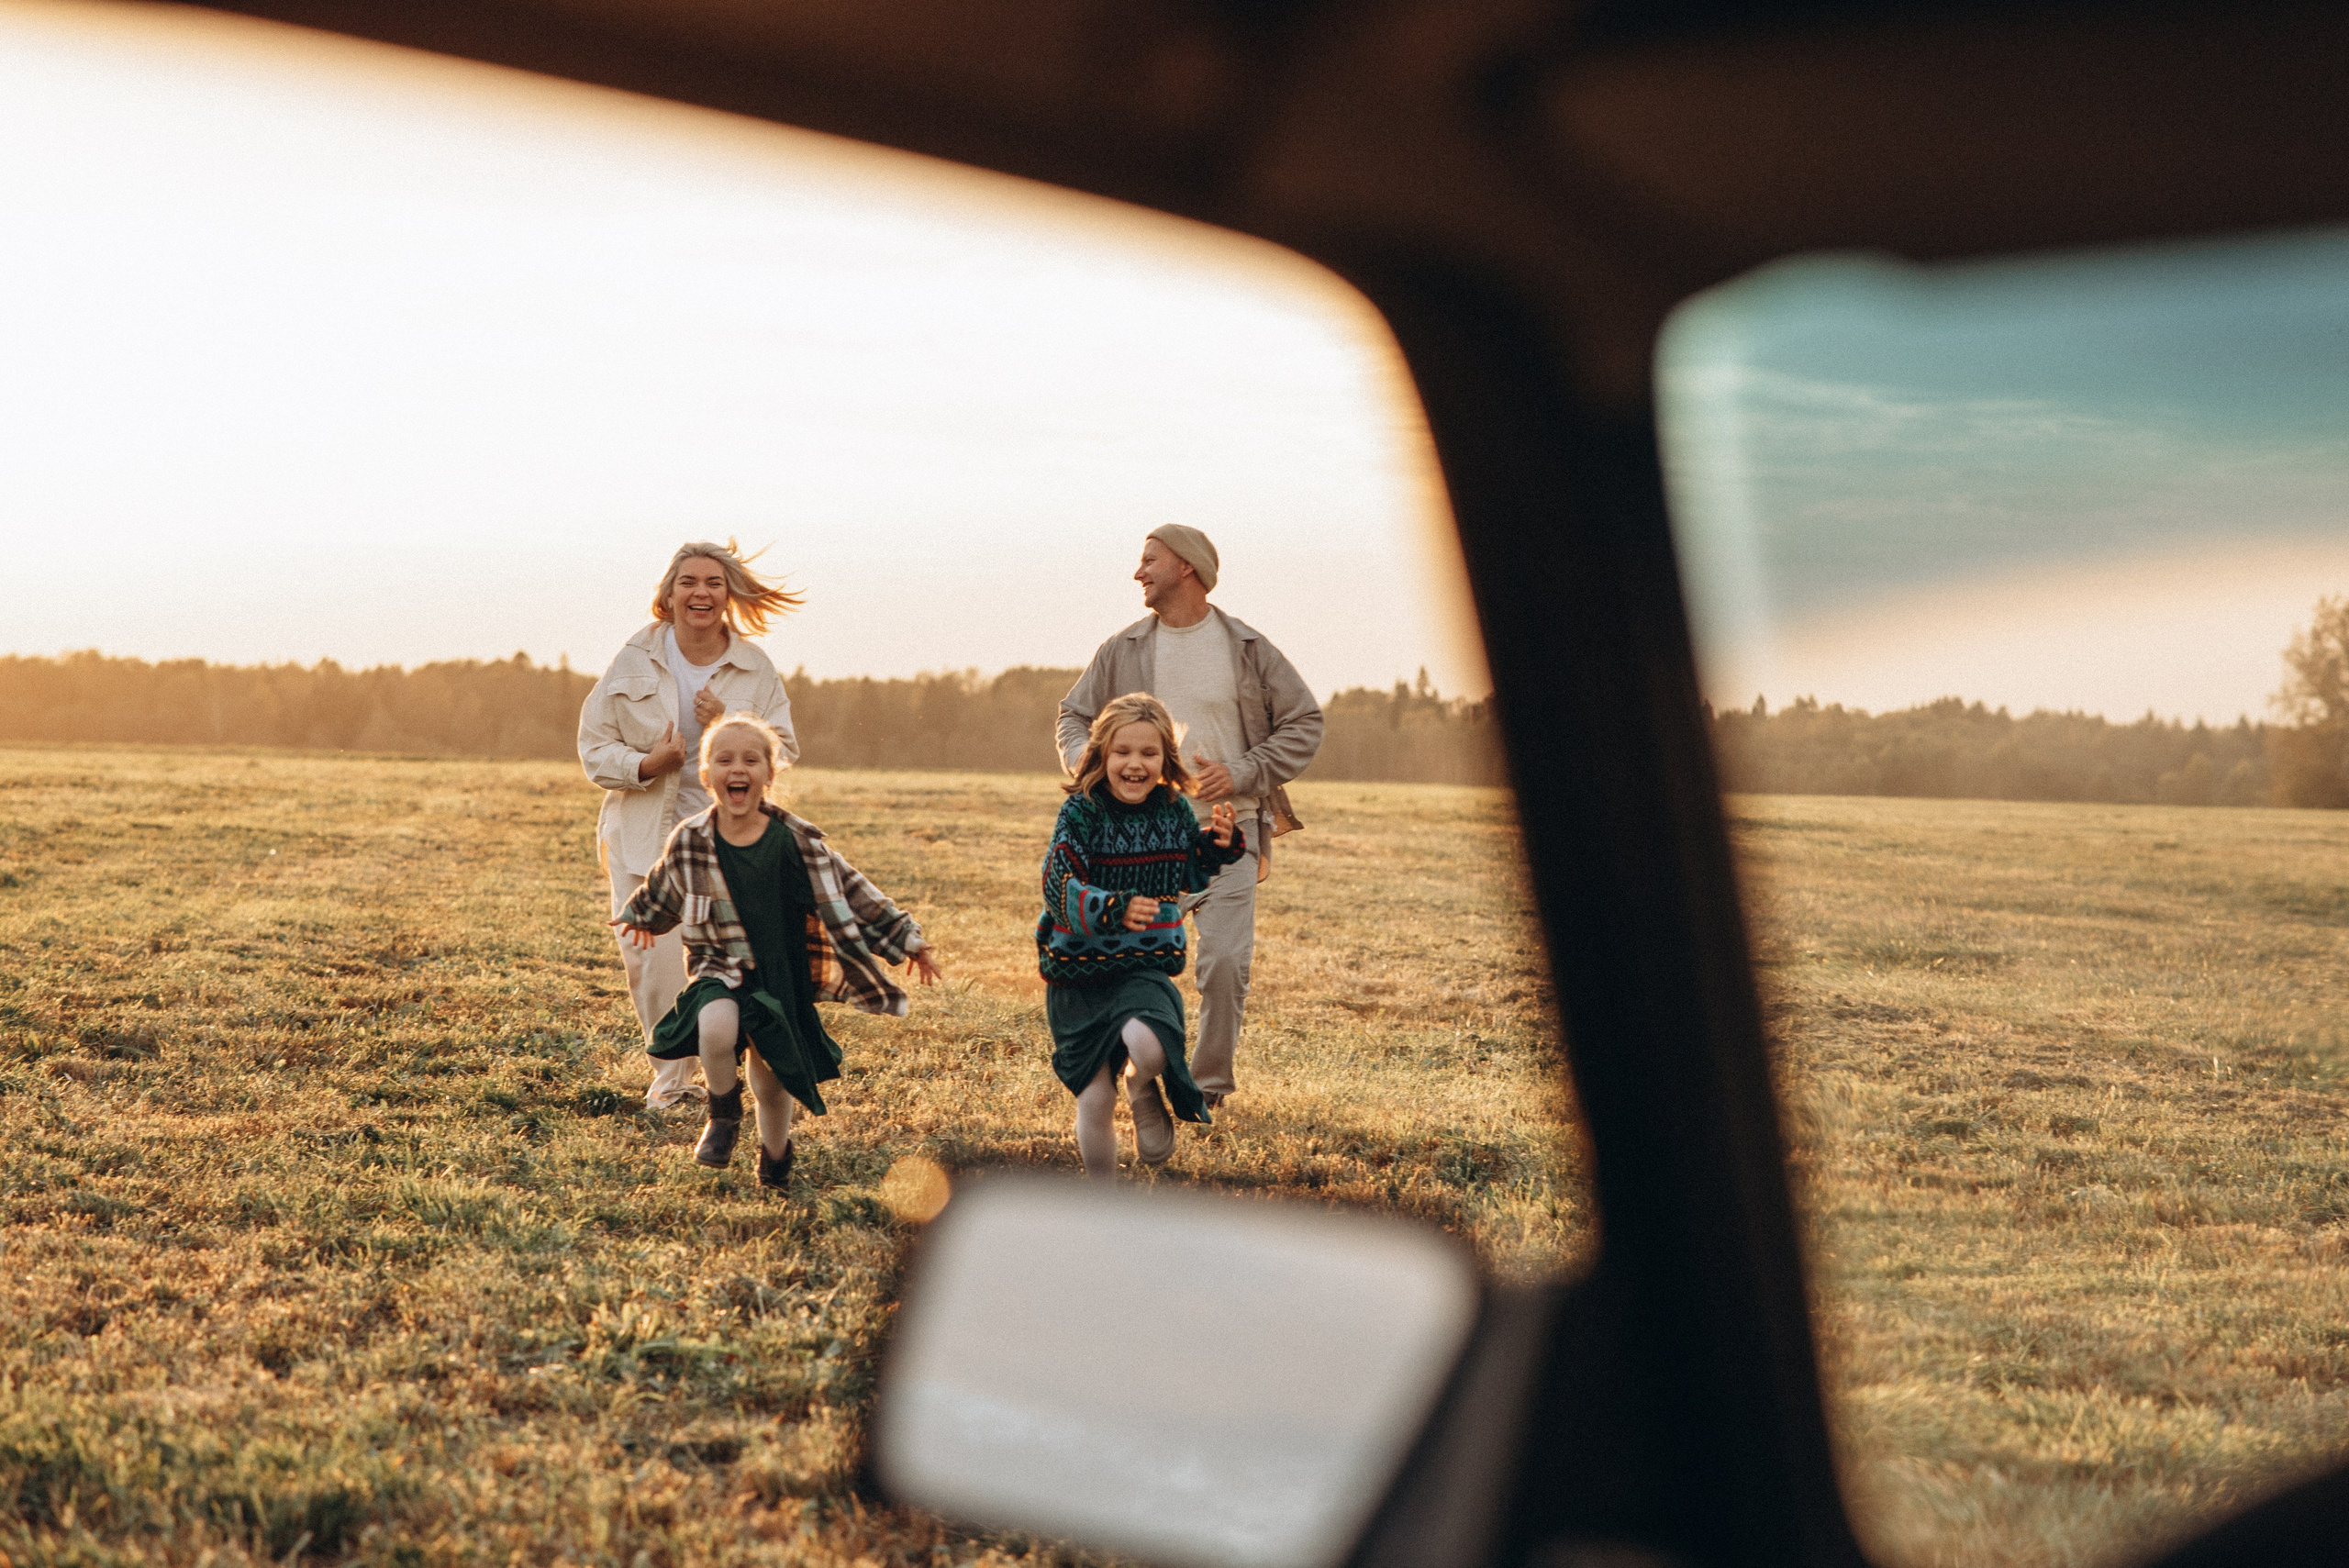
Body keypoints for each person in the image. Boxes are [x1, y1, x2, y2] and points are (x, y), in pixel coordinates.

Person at [614, 714, 942, 1189]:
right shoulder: (690, 839)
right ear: (707, 777)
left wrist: (907, 938)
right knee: (716, 1024)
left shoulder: (795, 842)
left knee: (771, 1083)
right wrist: (637, 916)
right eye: (723, 760)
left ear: (770, 773)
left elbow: (853, 891)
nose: (737, 769)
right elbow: (663, 885)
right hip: (718, 968)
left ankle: (775, 1157)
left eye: (751, 759)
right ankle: (723, 1113)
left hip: (780, 976)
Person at [1055, 526, 1323, 1108]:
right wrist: (1092, 767)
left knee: (1225, 964)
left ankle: (1206, 1089)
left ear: (1187, 568)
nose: (1138, 572)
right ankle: (1128, 1068)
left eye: (1149, 560)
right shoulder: (1121, 649)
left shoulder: (1248, 648)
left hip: (1230, 830)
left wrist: (1245, 771)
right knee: (1128, 968)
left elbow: (1305, 721)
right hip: (1136, 840)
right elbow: (1073, 715)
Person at [580, 540, 802, 1108]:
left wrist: (725, 726)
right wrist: (648, 765)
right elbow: (593, 746)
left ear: (728, 597)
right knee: (651, 965)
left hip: (727, 838)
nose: (700, 593)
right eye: (688, 582)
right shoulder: (634, 658)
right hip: (641, 835)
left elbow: (785, 750)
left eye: (713, 583)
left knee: (727, 963)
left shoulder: (754, 668)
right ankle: (671, 1083)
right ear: (669, 594)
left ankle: (714, 1076)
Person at [1041, 693, 1244, 1177]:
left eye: (1149, 753)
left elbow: (1183, 873)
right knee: (1094, 1096)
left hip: (1142, 962)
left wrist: (1216, 848)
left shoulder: (1171, 810)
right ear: (1101, 756)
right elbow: (1056, 886)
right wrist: (1112, 909)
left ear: (1165, 760)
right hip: (1078, 973)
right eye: (1122, 752)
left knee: (1149, 1044)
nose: (1135, 764)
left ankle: (1141, 1085)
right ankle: (1103, 1200)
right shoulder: (1081, 813)